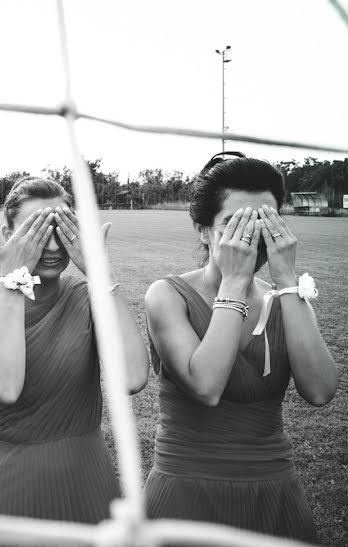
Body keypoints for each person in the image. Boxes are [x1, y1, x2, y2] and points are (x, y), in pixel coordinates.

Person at [143, 152, 338, 542]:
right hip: (186, 490)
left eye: (264, 222)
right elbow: (206, 386)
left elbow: (319, 390)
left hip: (274, 487)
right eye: (234, 225)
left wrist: (285, 277)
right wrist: (234, 282)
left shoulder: (286, 297)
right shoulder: (167, 295)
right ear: (203, 231)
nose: (250, 237)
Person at [0, 176, 148, 522]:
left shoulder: (87, 295)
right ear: (6, 235)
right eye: (37, 231)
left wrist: (99, 271)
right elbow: (5, 387)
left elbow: (133, 377)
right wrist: (12, 284)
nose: (51, 247)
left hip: (86, 477)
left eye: (61, 229)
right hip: (9, 482)